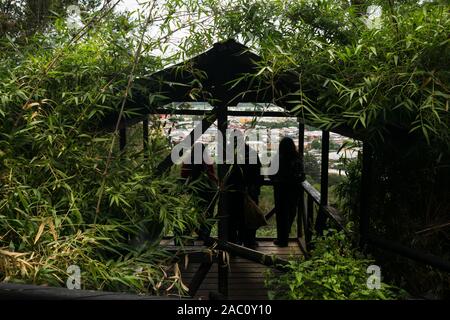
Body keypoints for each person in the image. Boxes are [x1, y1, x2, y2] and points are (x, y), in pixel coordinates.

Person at [225, 137, 263, 249]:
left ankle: (232, 243)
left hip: (233, 193)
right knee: (249, 217)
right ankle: (249, 242)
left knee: (232, 219)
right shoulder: (251, 153)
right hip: (250, 192)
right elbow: (258, 173)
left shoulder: (229, 155)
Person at [271, 137, 305, 247]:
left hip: (280, 190)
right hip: (294, 191)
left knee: (281, 215)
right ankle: (285, 236)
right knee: (291, 213)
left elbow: (271, 174)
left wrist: (277, 180)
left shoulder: (277, 158)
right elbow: (302, 175)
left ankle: (282, 239)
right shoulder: (297, 158)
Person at [180, 143, 218, 241]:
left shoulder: (188, 160)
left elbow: (183, 175)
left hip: (195, 190)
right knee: (208, 212)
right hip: (209, 190)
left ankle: (193, 232)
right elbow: (212, 175)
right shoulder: (207, 160)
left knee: (195, 212)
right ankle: (204, 234)